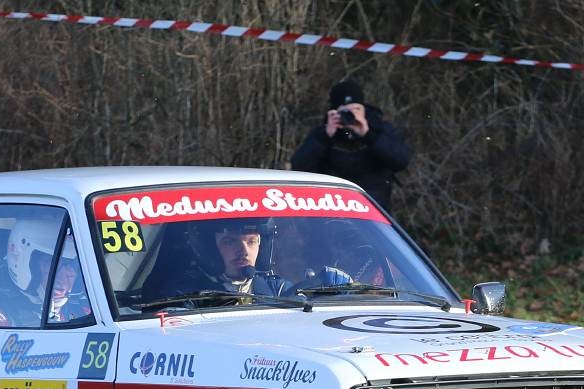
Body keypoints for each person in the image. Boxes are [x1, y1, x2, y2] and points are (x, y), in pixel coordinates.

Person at [290, 78, 412, 215]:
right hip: (332, 210)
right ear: (334, 112)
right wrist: (325, 136)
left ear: (364, 110)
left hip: (374, 211)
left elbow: (401, 161)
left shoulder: (379, 130)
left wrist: (368, 135)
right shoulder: (323, 134)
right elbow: (299, 167)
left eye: (356, 109)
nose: (351, 115)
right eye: (345, 112)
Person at [0, 219, 89, 327]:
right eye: (52, 263)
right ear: (24, 263)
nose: (63, 279)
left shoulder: (86, 312)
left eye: (70, 266)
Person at [159, 219, 293, 298]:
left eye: (251, 242)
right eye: (230, 242)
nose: (244, 251)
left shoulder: (279, 291)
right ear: (210, 249)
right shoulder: (185, 297)